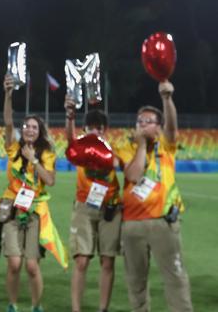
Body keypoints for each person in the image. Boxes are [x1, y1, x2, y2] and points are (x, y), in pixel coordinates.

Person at [114, 80, 193, 312]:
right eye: (140, 122)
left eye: (148, 122)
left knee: (175, 277)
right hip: (132, 225)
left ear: (158, 127)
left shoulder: (166, 145)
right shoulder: (127, 147)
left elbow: (172, 127)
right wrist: (140, 146)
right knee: (136, 282)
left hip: (163, 222)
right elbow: (134, 176)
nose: (142, 126)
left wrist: (167, 99)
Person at [0, 74, 66, 312]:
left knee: (31, 266)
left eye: (34, 126)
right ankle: (12, 305)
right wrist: (8, 94)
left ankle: (36, 306)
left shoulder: (47, 153)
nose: (29, 129)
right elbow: (8, 122)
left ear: (40, 131)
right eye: (26, 125)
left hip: (36, 212)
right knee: (14, 264)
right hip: (12, 210)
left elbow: (50, 180)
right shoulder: (13, 147)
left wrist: (33, 160)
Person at [64, 100, 121, 312]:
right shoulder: (80, 147)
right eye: (91, 128)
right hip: (84, 208)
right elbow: (69, 140)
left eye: (99, 128)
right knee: (81, 261)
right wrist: (70, 116)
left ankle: (102, 309)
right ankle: (76, 309)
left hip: (111, 209)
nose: (95, 131)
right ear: (84, 129)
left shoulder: (113, 149)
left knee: (107, 262)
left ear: (105, 130)